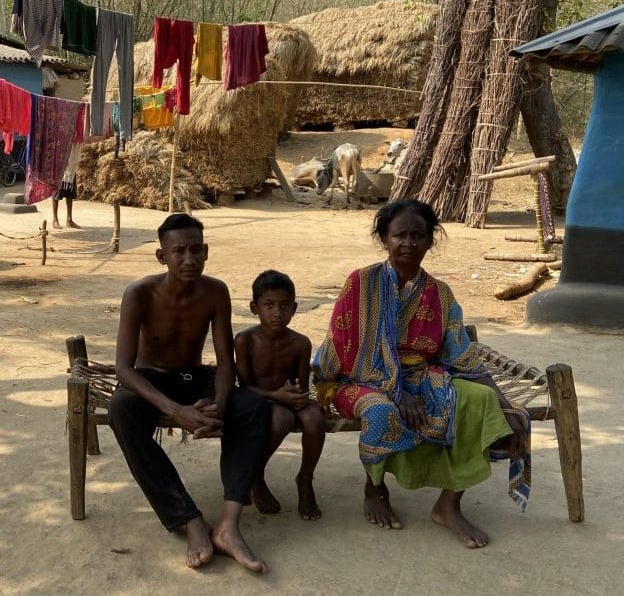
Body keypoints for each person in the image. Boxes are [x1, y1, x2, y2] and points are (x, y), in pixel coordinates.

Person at [315, 199, 531, 549]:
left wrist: (504, 399)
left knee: (481, 402)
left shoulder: (439, 294)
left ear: (431, 241)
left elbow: (462, 354)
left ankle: (448, 504)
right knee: (381, 411)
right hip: (356, 380)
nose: (409, 243)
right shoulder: (360, 282)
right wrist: (395, 392)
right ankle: (374, 488)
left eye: (418, 235)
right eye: (400, 234)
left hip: (420, 378)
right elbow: (343, 350)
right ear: (384, 238)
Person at [110, 213, 270, 571]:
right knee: (122, 409)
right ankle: (188, 520)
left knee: (252, 407)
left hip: (194, 376)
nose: (189, 260)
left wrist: (220, 402)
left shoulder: (215, 291)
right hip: (151, 379)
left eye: (196, 250)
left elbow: (225, 361)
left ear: (207, 251)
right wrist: (175, 410)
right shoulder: (139, 293)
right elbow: (123, 368)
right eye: (179, 251)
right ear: (161, 256)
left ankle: (228, 524)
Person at [234, 270, 325, 521]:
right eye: (269, 305)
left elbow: (301, 385)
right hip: (259, 401)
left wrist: (300, 398)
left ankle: (305, 479)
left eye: (285, 306)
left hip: (289, 400)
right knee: (282, 418)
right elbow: (244, 386)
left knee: (315, 419)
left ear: (294, 308)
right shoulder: (245, 340)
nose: (277, 313)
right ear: (255, 307)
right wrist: (277, 396)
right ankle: (256, 475)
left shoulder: (300, 343)